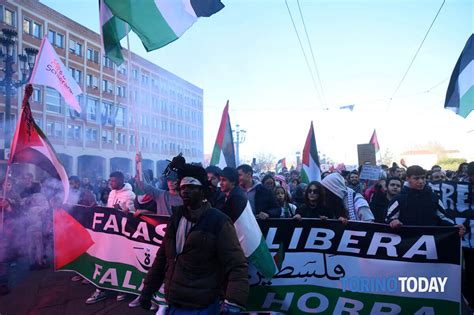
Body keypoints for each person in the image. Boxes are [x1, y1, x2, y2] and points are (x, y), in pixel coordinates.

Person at [138, 163, 248, 314]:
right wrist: (148, 289)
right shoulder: (176, 218)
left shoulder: (219, 221)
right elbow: (162, 257)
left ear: (202, 191)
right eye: (182, 187)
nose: (185, 191)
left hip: (203, 305)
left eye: (191, 186)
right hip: (174, 301)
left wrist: (234, 301)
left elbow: (236, 264)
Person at [86, 171, 135, 304]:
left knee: (121, 260)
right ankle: (101, 289)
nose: (110, 183)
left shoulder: (130, 194)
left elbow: (133, 215)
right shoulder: (112, 193)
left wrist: (122, 211)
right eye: (110, 180)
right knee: (105, 258)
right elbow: (109, 210)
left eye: (113, 181)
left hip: (122, 234)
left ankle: (122, 289)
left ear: (120, 180)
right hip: (110, 232)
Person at [386, 165, 466, 237]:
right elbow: (389, 218)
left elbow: (442, 217)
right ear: (407, 178)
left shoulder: (434, 197)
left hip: (430, 243)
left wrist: (454, 226)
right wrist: (393, 222)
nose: (420, 181)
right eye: (416, 178)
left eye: (423, 178)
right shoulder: (399, 198)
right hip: (407, 243)